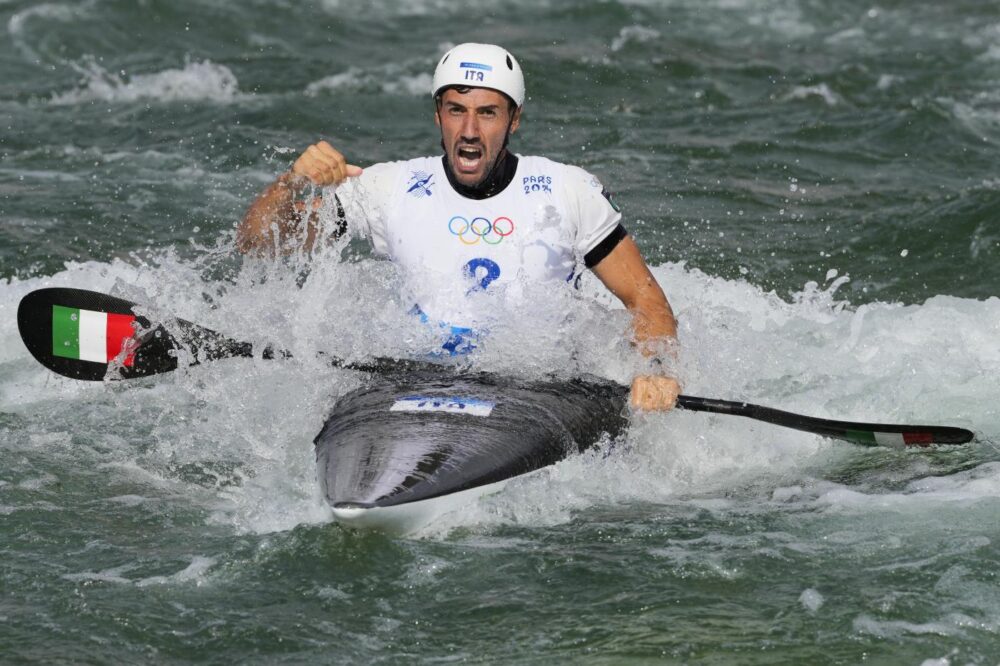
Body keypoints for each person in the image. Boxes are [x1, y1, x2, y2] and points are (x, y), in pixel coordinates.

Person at [238, 43, 680, 411]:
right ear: (438, 115)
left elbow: (644, 299)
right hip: (420, 379)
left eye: (488, 113)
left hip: (541, 390)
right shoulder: (389, 188)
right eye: (456, 110)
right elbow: (258, 243)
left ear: (515, 120)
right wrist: (290, 182)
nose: (469, 130)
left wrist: (655, 371)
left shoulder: (568, 191)